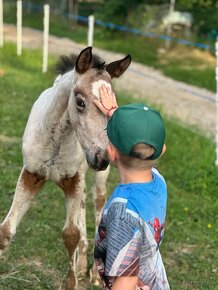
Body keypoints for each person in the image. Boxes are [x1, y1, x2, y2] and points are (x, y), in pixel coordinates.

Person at [93, 85, 170, 290]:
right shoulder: (158, 181)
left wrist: (116, 119)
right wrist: (114, 114)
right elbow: (143, 146)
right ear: (161, 151)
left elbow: (126, 280)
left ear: (111, 152)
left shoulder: (122, 212)